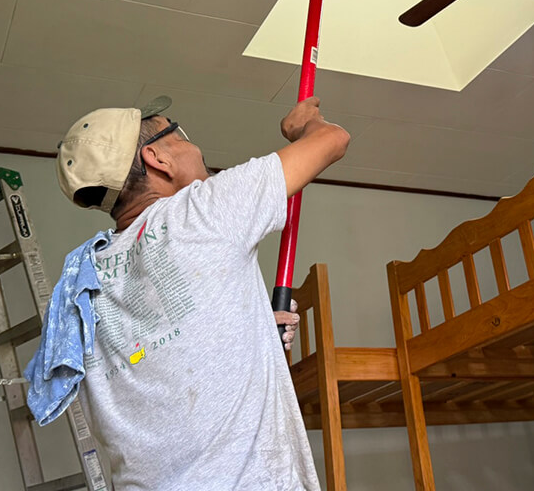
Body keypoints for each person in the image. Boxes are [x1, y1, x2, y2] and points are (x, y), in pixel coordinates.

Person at [24, 95, 349, 491]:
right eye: (179, 134)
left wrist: (249, 325)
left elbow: (158, 359)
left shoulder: (86, 282)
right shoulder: (201, 211)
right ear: (157, 158)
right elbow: (332, 139)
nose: (195, 147)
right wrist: (304, 125)